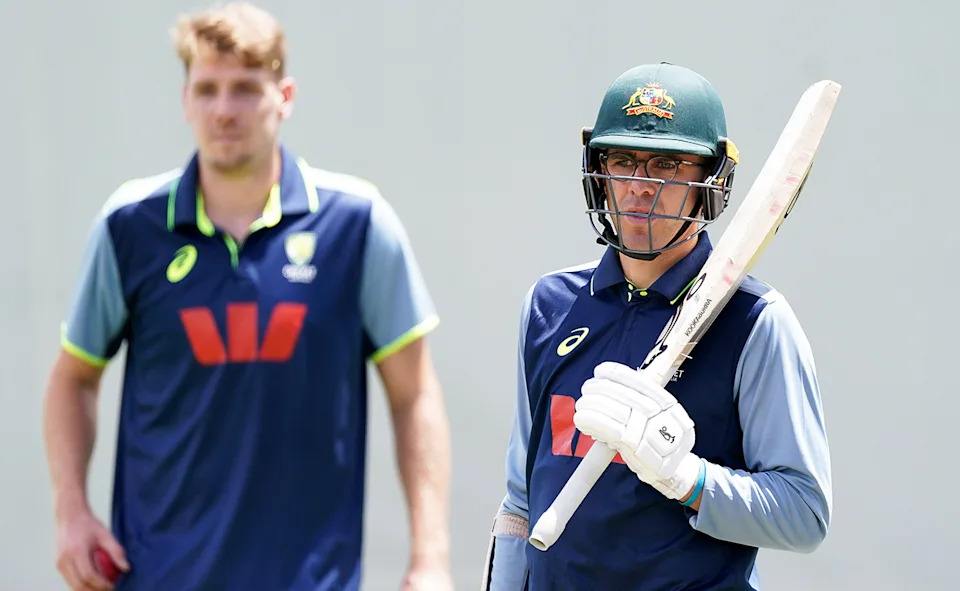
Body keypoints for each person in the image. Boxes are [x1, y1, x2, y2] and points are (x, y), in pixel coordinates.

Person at [41, 3, 453, 590]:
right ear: (184, 100)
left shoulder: (357, 225)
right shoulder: (129, 226)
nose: (224, 110)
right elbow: (73, 378)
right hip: (159, 576)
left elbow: (415, 394)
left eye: (244, 89)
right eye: (206, 89)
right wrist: (71, 512)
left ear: (284, 96)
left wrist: (430, 557)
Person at [482, 63, 832, 590]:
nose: (639, 186)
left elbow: (804, 514)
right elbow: (520, 502)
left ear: (711, 181)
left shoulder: (756, 322)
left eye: (667, 164)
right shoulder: (549, 305)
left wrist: (686, 478)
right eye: (622, 161)